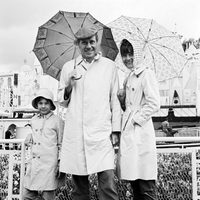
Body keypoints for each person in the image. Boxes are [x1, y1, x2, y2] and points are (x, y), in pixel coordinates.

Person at [57, 27, 121, 200]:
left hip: (102, 132)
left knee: (107, 185)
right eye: (84, 42)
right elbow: (61, 101)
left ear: (97, 42)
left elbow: (114, 100)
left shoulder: (109, 66)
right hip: (77, 134)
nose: (89, 46)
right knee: (79, 188)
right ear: (78, 44)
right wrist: (69, 84)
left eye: (92, 41)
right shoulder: (68, 67)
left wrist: (116, 130)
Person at [118, 39, 160, 200]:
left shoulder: (146, 74)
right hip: (130, 132)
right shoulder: (128, 77)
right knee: (134, 181)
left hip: (141, 132)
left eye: (130, 54)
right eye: (124, 55)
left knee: (145, 182)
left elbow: (154, 103)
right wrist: (122, 99)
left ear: (138, 54)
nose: (127, 58)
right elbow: (128, 106)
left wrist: (136, 119)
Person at [23, 88, 64, 200]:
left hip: (50, 165)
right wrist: (29, 134)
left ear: (51, 105)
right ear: (37, 104)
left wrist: (60, 164)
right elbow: (33, 133)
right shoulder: (33, 120)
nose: (43, 106)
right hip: (34, 164)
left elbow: (61, 144)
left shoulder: (58, 121)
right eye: (40, 103)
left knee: (47, 196)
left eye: (46, 103)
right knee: (27, 195)